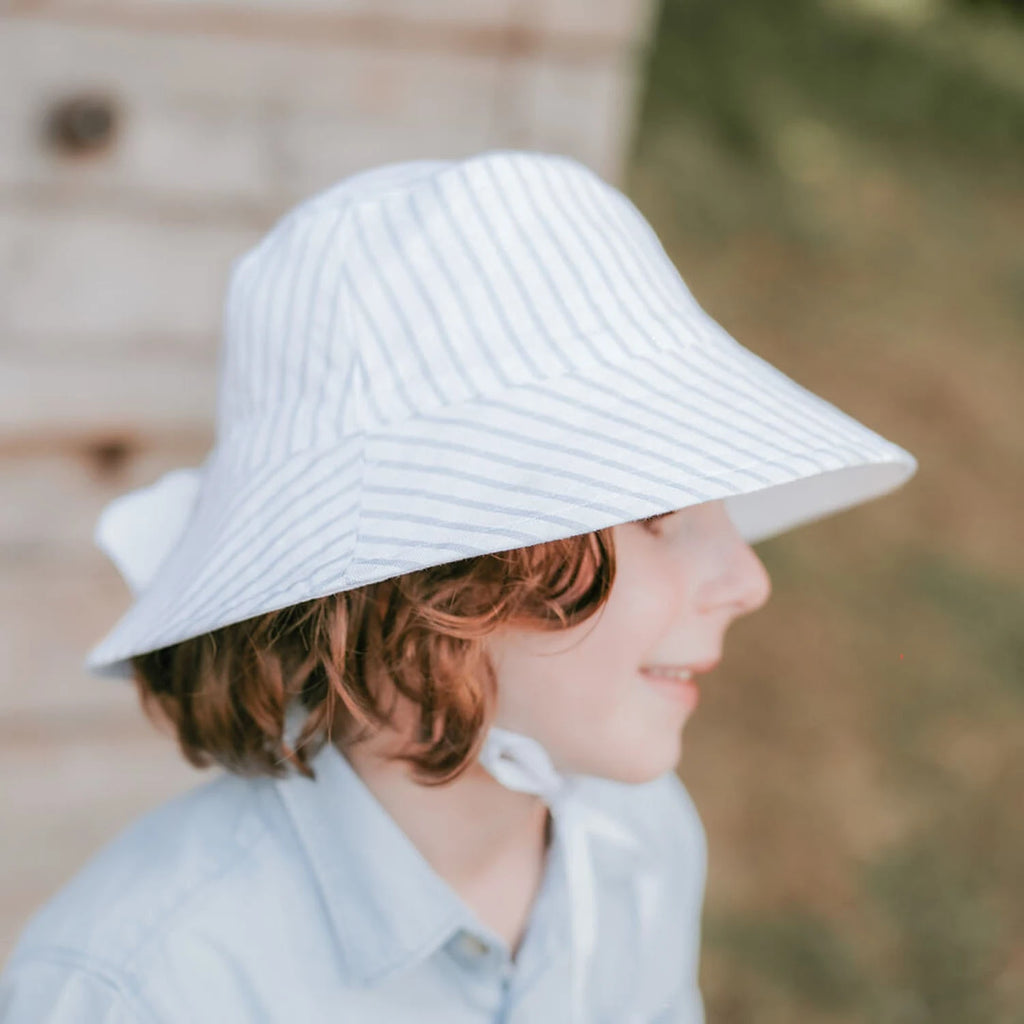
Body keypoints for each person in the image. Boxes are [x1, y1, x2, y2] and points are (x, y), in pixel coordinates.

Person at [0, 150, 917, 1023]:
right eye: (660, 513)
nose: (749, 579)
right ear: (429, 583)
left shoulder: (639, 842)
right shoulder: (140, 990)